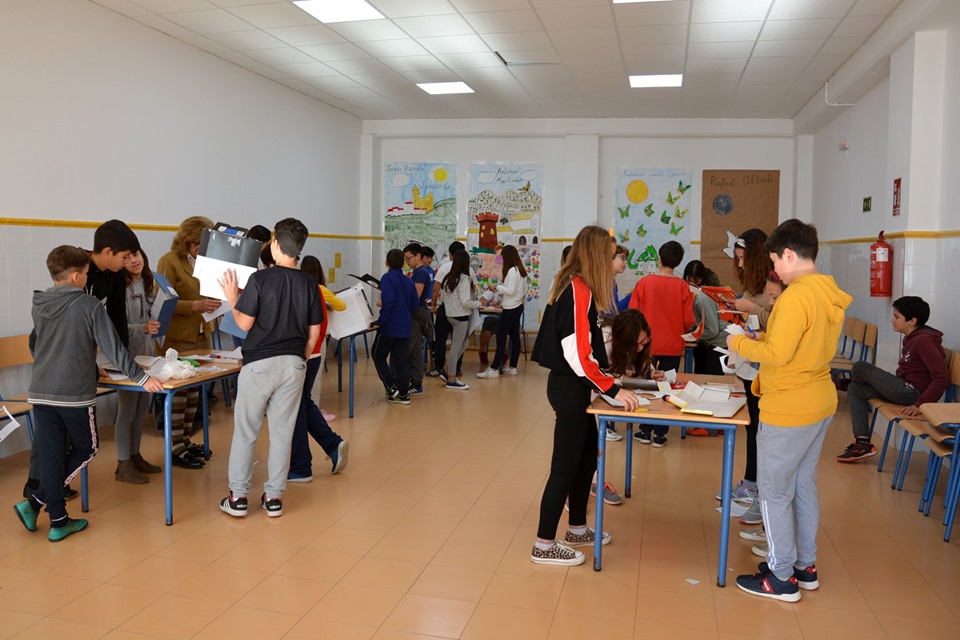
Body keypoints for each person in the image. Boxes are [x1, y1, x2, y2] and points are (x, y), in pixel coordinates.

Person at [726, 218, 851, 602]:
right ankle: (804, 567)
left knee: (775, 492)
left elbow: (778, 354)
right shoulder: (825, 291)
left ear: (790, 255)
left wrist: (739, 343)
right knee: (802, 486)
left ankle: (781, 577)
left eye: (776, 260)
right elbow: (799, 342)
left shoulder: (796, 296)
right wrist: (762, 336)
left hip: (789, 406)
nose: (775, 268)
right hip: (818, 400)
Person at [14, 246, 163, 541]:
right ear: (75, 276)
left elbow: (35, 344)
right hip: (74, 396)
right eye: (85, 273)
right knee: (87, 448)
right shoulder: (88, 304)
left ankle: (57, 520)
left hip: (41, 392)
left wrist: (57, 367)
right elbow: (113, 347)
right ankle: (35, 501)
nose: (87, 278)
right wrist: (141, 378)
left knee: (53, 455)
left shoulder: (40, 303)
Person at [529, 225, 640, 566]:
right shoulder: (577, 289)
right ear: (597, 255)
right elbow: (577, 353)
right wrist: (612, 388)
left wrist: (607, 381)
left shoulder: (578, 285)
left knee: (587, 460)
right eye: (612, 256)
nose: (615, 262)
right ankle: (544, 545)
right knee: (564, 468)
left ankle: (577, 527)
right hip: (569, 388)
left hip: (577, 387)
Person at [23, 220, 142, 501]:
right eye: (124, 257)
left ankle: (50, 487)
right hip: (56, 368)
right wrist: (54, 363)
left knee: (63, 430)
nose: (127, 263)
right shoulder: (78, 268)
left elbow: (116, 321)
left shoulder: (114, 276)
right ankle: (37, 485)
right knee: (53, 435)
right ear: (108, 252)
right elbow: (40, 335)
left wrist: (122, 361)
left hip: (78, 366)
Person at [218, 218, 324, 519]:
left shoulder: (260, 280)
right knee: (282, 433)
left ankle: (238, 497)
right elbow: (315, 333)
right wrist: (299, 360)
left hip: (259, 365)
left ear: (275, 244)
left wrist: (232, 298)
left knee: (246, 431)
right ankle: (274, 498)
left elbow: (243, 324)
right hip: (294, 364)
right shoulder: (309, 284)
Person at [836, 296, 950, 462]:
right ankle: (862, 444)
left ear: (912, 321)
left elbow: (942, 377)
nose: (892, 320)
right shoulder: (912, 338)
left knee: (860, 367)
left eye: (897, 317)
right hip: (902, 388)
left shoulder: (924, 341)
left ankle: (850, 381)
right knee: (856, 389)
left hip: (911, 393)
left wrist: (920, 404)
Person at [155, 216, 220, 469]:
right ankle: (174, 446)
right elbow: (162, 301)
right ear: (185, 241)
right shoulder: (169, 261)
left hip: (201, 335)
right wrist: (196, 305)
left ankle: (185, 440)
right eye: (195, 244)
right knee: (179, 395)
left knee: (194, 392)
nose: (199, 249)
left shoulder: (204, 263)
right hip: (177, 339)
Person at [722, 229, 775, 514]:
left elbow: (776, 324)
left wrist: (751, 307)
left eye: (744, 259)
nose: (740, 265)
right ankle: (752, 481)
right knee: (752, 426)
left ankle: (757, 487)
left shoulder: (774, 286)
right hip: (750, 363)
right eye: (738, 259)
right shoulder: (755, 284)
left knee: (760, 429)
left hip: (765, 367)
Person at [627, 240, 695, 447]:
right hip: (673, 344)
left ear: (659, 258)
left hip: (646, 344)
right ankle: (660, 434)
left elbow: (633, 314)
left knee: (647, 386)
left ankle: (644, 430)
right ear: (679, 262)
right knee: (667, 386)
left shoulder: (644, 283)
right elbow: (689, 321)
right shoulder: (683, 287)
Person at [288, 256, 349, 482]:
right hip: (313, 352)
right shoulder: (316, 288)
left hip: (300, 354)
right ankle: (333, 445)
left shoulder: (296, 287)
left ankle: (301, 466)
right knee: (303, 402)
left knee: (296, 407)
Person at [114, 250, 163, 484]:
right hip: (128, 357)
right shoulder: (119, 288)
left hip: (148, 354)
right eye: (126, 258)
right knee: (127, 410)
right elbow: (117, 326)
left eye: (136, 255)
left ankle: (135, 456)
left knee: (142, 407)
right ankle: (123, 463)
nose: (133, 261)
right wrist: (143, 328)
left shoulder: (148, 283)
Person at [373, 249, 420, 405]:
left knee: (378, 355)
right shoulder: (409, 281)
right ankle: (404, 394)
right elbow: (415, 304)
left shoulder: (387, 278)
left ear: (386, 263)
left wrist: (380, 321)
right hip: (405, 327)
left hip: (389, 326)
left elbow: (388, 301)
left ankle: (391, 388)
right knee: (401, 360)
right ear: (403, 264)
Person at [478, 245, 527, 379]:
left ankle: (494, 369)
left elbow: (510, 291)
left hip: (510, 309)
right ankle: (513, 367)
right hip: (517, 306)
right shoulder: (520, 270)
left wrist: (496, 287)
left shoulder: (512, 270)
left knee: (501, 338)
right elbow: (517, 291)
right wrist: (500, 289)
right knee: (515, 338)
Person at [439, 250, 480, 390]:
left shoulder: (447, 278)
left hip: (450, 315)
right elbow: (466, 302)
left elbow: (443, 298)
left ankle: (447, 370)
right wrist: (480, 304)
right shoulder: (464, 279)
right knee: (456, 348)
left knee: (465, 343)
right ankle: (451, 378)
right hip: (461, 317)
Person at [430, 241, 470, 379]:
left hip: (446, 308)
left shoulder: (444, 267)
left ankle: (439, 367)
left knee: (440, 338)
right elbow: (473, 290)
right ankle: (456, 367)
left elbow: (436, 288)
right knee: (458, 340)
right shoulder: (469, 270)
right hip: (462, 311)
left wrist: (433, 305)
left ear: (450, 254)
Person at [682, 260, 730, 376]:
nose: (692, 283)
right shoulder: (696, 294)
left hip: (718, 341)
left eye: (696, 280)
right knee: (700, 373)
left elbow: (712, 330)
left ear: (702, 278)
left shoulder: (703, 297)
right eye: (689, 280)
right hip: (706, 339)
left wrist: (692, 336)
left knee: (712, 379)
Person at [403, 243, 435, 395]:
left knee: (408, 348)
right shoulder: (417, 272)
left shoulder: (421, 273)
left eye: (408, 258)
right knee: (415, 349)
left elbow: (415, 296)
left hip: (417, 313)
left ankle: (406, 382)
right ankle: (416, 383)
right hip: (416, 312)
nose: (407, 262)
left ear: (418, 256)